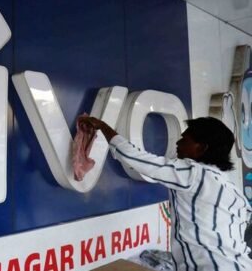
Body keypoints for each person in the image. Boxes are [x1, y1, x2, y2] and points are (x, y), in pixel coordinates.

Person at [79, 116, 252, 271]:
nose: (177, 143)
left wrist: (102, 125)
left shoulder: (192, 173)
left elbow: (133, 157)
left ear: (201, 148)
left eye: (184, 139)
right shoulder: (232, 190)